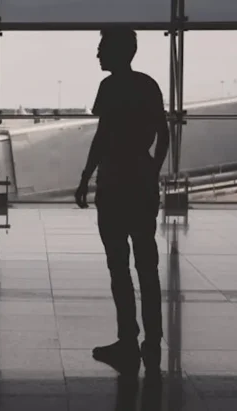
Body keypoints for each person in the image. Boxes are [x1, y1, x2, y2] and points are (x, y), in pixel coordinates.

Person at [75, 28, 170, 375]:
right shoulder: (148, 85)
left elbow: (103, 136)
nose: (98, 54)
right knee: (147, 265)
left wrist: (86, 177)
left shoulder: (111, 88)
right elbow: (163, 134)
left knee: (118, 266)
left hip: (114, 184)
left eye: (101, 48)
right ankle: (153, 342)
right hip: (140, 183)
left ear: (117, 52)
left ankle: (127, 340)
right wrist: (152, 172)